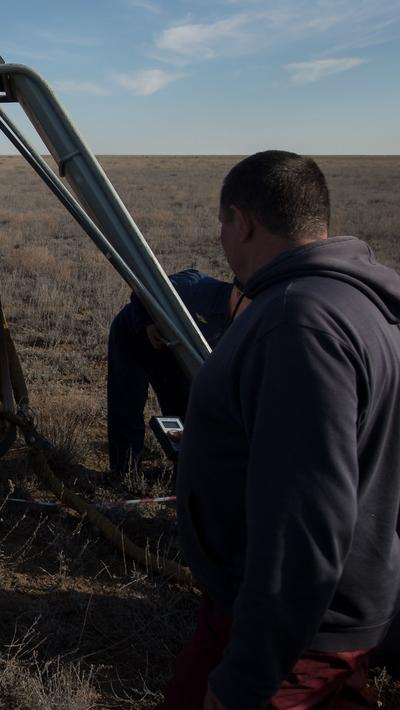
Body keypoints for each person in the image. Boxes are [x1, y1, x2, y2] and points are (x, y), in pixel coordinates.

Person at [162, 151, 400, 709]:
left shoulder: (298, 323)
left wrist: (247, 678)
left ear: (242, 222)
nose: (222, 237)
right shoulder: (358, 301)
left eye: (223, 223)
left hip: (293, 636)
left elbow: (303, 523)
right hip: (321, 613)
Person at [106, 269, 233, 475]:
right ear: (238, 294)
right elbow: (141, 290)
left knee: (183, 410)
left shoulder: (240, 325)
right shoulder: (193, 286)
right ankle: (125, 473)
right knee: (127, 404)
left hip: (171, 352)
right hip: (132, 335)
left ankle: (184, 471)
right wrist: (146, 323)